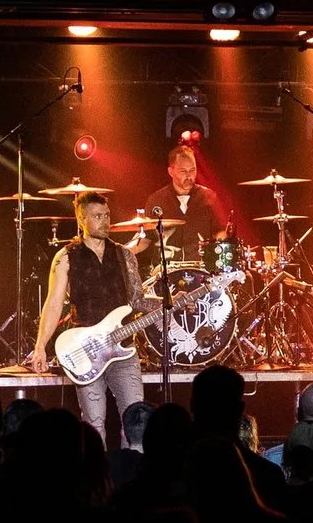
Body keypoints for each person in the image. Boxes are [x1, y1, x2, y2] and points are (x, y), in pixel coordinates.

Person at [31, 190, 152, 434]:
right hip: (85, 350)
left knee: (137, 421)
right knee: (94, 424)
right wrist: (40, 346)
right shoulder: (66, 257)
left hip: (123, 346)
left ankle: (132, 470)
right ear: (81, 220)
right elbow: (54, 304)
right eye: (97, 216)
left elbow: (138, 300)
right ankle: (97, 471)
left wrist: (169, 302)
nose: (105, 222)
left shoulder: (124, 255)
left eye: (107, 215)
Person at [130, 145, 238, 271]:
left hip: (201, 270)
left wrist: (222, 245)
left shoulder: (209, 197)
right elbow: (145, 237)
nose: (189, 176)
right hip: (167, 271)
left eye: (192, 170)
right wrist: (121, 251)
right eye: (183, 171)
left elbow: (220, 231)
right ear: (171, 171)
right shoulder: (156, 200)